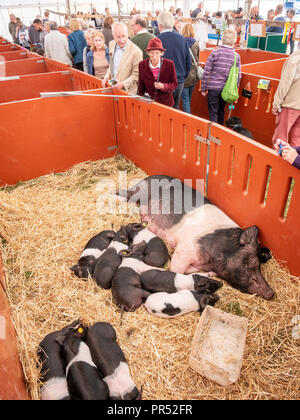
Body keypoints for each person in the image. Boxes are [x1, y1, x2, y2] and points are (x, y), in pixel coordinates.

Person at [201, 28, 241, 125]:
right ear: (234, 40)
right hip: (227, 89)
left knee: (213, 113)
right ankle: (220, 133)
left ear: (223, 39)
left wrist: (203, 88)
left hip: (213, 88)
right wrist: (235, 89)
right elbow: (238, 76)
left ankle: (213, 134)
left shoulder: (214, 53)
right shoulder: (236, 56)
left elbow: (206, 72)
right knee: (221, 111)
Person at [157, 11, 191, 109]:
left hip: (163, 83)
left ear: (160, 25)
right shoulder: (182, 39)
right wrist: (182, 77)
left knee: (163, 109)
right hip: (179, 80)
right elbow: (188, 62)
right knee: (175, 107)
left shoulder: (156, 40)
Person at [102, 22, 143, 94]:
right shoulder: (111, 44)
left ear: (128, 34)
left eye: (123, 36)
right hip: (112, 88)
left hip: (127, 92)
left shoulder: (137, 52)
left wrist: (122, 84)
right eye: (118, 37)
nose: (121, 40)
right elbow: (111, 64)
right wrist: (106, 77)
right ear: (113, 36)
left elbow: (136, 75)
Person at [272, 49, 300, 147]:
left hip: (291, 103)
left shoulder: (295, 58)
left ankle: (276, 161)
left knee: (280, 137)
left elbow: (285, 82)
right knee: (297, 138)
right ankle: (293, 161)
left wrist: (276, 103)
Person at [138, 37, 177, 106]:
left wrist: (164, 86)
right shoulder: (142, 65)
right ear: (148, 53)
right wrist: (140, 100)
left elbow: (174, 84)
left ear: (162, 53)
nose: (154, 56)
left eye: (157, 53)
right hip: (149, 102)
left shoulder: (169, 64)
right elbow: (141, 86)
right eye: (152, 53)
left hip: (166, 103)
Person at [181, 23, 200, 114]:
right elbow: (197, 59)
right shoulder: (196, 43)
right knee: (189, 98)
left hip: (183, 75)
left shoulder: (180, 43)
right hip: (193, 75)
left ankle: (187, 119)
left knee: (185, 100)